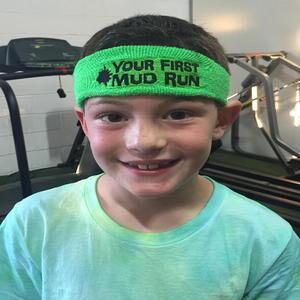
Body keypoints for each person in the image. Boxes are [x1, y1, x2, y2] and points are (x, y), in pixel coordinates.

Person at [0, 15, 299, 299]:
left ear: (222, 120)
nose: (144, 142)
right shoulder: (32, 224)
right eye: (112, 116)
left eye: (178, 114)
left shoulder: (266, 241)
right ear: (84, 123)